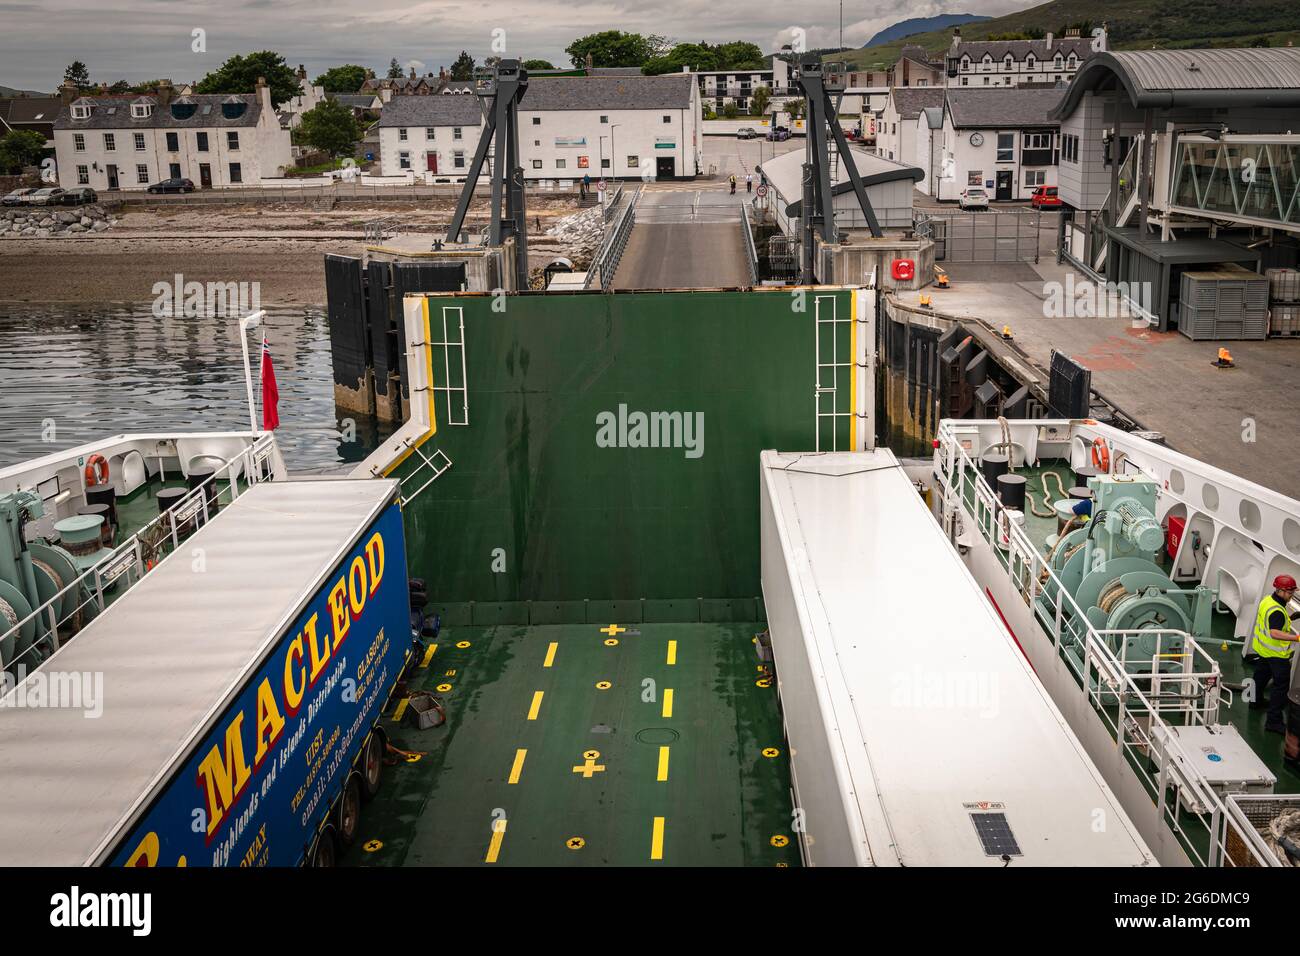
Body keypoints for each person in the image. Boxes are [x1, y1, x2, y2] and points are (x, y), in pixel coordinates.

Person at [1247, 574, 1299, 734]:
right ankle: (1274, 722)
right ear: (1281, 590)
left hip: (1263, 650)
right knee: (1280, 686)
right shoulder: (1277, 610)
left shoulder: (1268, 600)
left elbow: (1272, 621)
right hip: (1276, 654)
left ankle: (1254, 701)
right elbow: (1275, 633)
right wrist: (1296, 637)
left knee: (1261, 676)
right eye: (1290, 593)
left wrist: (1291, 617)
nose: (1291, 596)